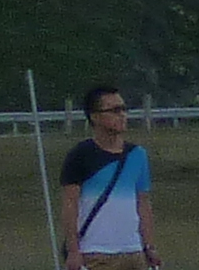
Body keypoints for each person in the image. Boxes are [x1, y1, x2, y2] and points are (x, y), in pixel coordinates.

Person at [59, 83, 159, 270]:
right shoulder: (80, 155)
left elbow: (143, 203)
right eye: (114, 110)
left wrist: (149, 246)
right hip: (96, 253)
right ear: (95, 117)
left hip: (134, 252)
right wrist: (73, 251)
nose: (121, 115)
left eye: (123, 109)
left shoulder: (137, 155)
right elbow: (70, 204)